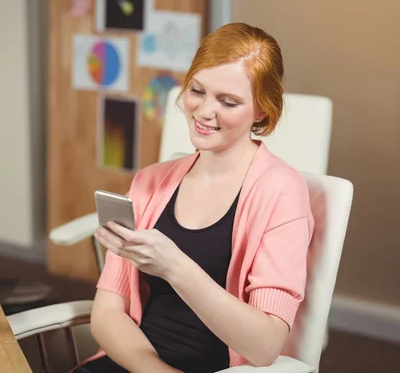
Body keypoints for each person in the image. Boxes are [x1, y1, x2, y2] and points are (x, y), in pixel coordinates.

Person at [72, 22, 314, 373]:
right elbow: (107, 313)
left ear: (261, 111)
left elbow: (265, 346)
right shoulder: (150, 183)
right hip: (137, 362)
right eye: (197, 91)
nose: (204, 111)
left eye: (228, 102)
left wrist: (174, 266)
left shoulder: (282, 192)